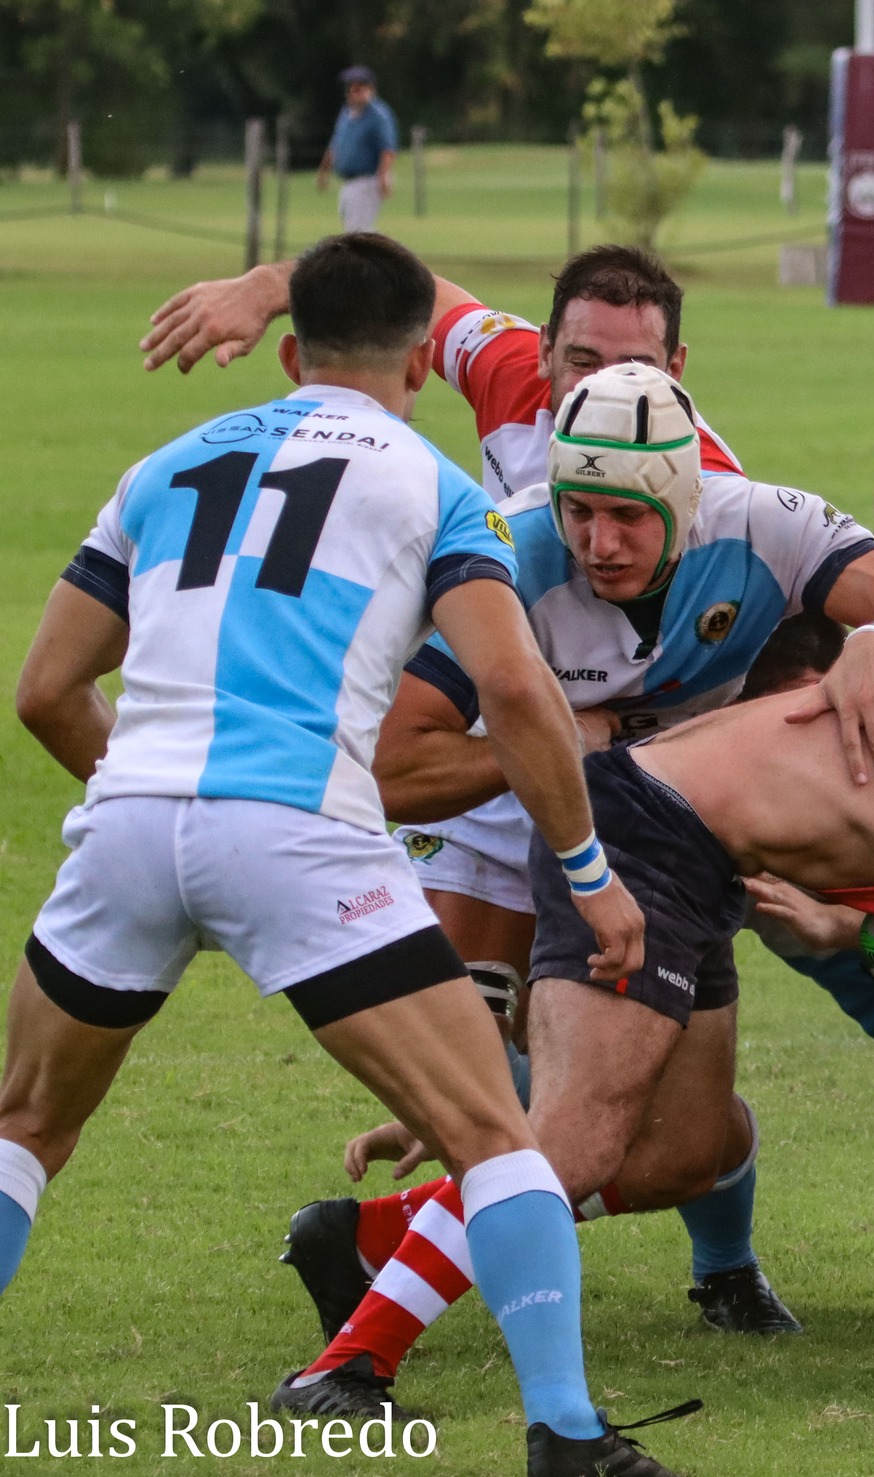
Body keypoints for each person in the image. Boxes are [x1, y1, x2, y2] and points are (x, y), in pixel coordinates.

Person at [4, 233, 690, 1477]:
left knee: (23, 1128)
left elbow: (47, 690)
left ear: (286, 352)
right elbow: (518, 695)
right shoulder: (433, 485)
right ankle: (569, 1440)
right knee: (496, 1137)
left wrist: (147, 805)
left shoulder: (160, 467)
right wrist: (589, 872)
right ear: (424, 361)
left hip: (131, 819)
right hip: (302, 831)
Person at [267, 363, 874, 1412]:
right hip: (585, 832)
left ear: (686, 498)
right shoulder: (503, 555)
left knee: (687, 1153)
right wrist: (578, 747)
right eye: (578, 511)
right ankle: (352, 1362)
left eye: (626, 516)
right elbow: (397, 768)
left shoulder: (766, 526)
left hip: (701, 848)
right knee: (577, 1128)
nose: (597, 542)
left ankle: (377, 1233)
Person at [142, 244, 744, 505]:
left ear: (676, 370)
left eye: (634, 368)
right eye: (582, 361)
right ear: (543, 352)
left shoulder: (710, 481)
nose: (603, 388)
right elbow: (408, 291)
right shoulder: (511, 372)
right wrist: (272, 286)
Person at [320, 66, 399, 235]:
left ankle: (383, 258)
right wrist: (324, 170)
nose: (353, 94)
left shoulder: (378, 115)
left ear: (369, 89)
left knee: (358, 231)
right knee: (352, 227)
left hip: (367, 179)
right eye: (351, 90)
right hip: (348, 181)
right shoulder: (347, 113)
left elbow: (387, 149)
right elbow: (336, 144)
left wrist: (383, 175)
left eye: (358, 89)